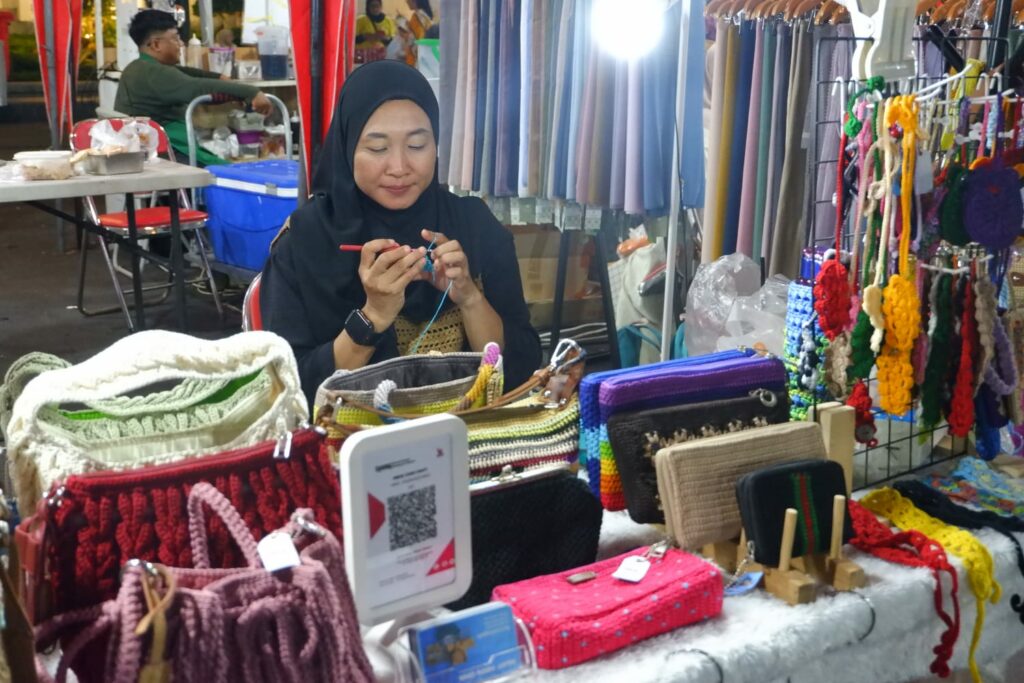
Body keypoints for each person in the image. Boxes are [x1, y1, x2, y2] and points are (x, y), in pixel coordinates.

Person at [259, 60, 541, 407]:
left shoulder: (474, 225)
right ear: (347, 148)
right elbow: (285, 390)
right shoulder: (304, 242)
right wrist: (373, 316)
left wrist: (470, 298)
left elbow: (524, 365)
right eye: (378, 148)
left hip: (469, 429)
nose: (399, 167)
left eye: (418, 145)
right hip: (352, 437)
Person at [115, 9, 273, 165]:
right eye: (175, 38)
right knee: (235, 173)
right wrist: (251, 92)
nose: (181, 44)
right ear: (156, 44)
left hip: (162, 149)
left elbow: (187, 73)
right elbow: (195, 87)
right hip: (170, 151)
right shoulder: (153, 73)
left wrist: (219, 78)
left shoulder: (140, 67)